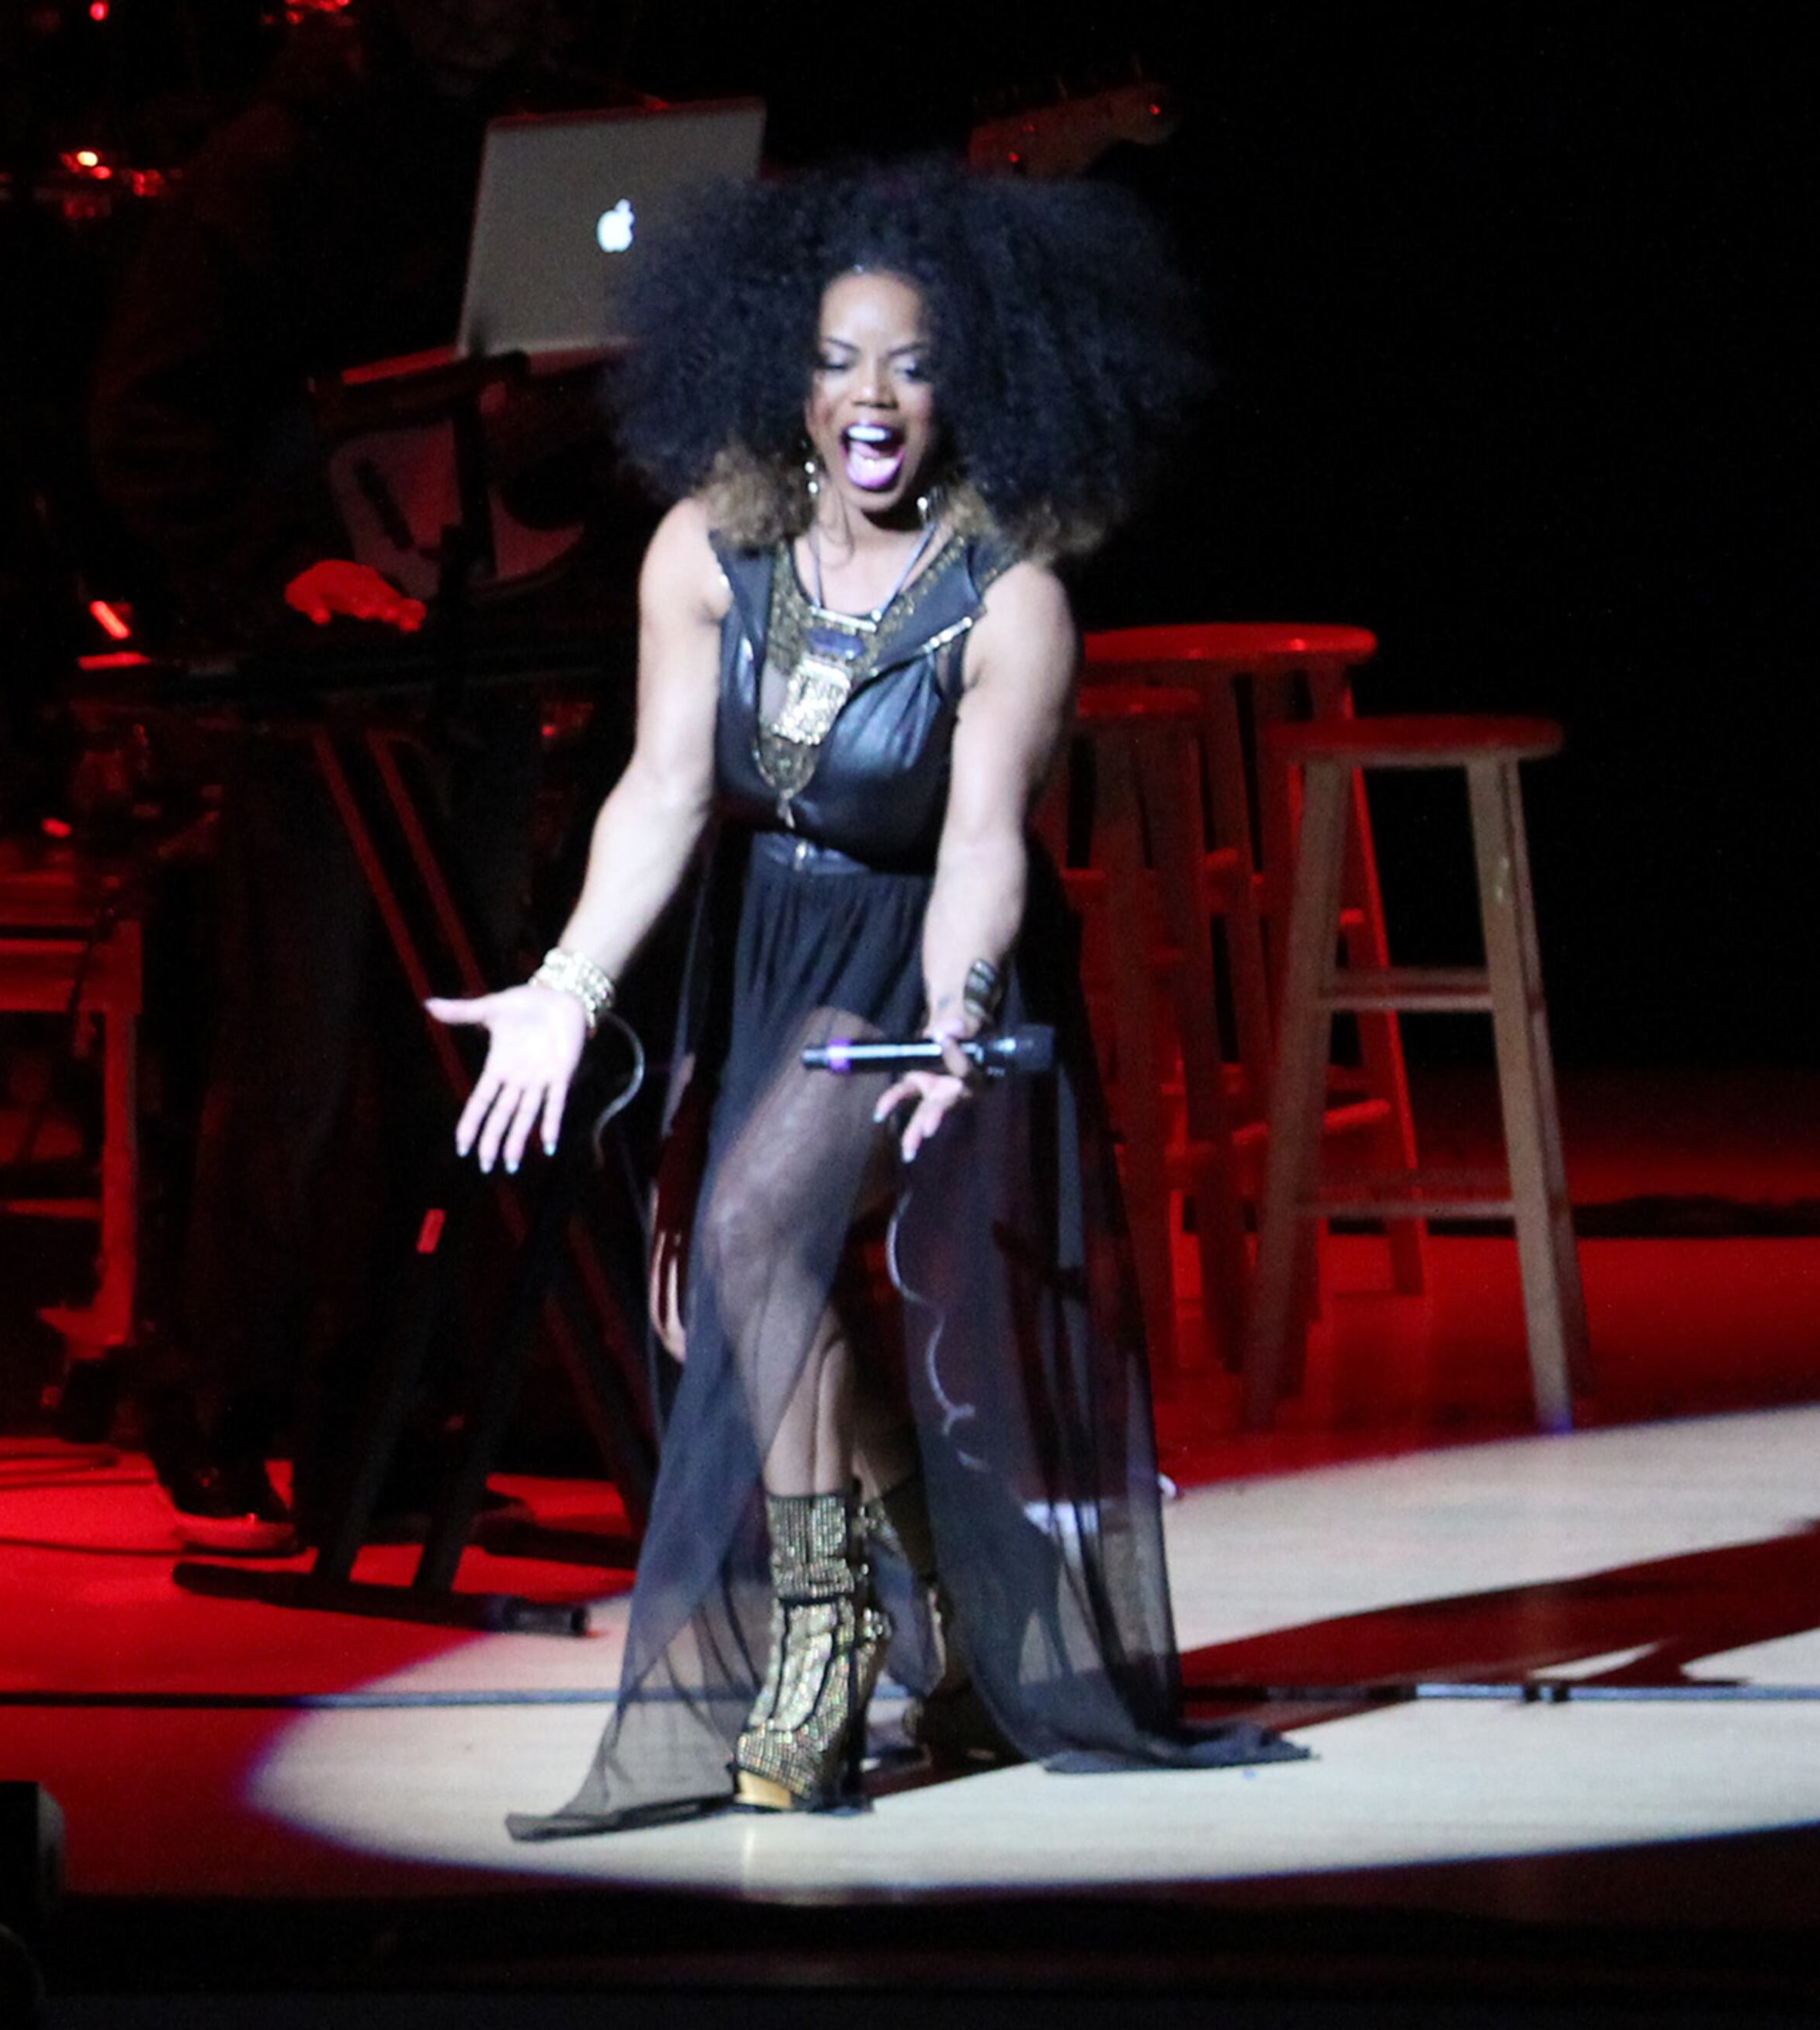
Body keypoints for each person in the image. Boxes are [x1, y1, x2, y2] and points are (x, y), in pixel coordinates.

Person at [428, 160, 1304, 1832]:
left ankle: (827, 1629)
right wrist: (564, 983)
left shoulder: (1012, 596)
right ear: (782, 369)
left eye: (912, 361)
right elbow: (665, 793)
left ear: (970, 379)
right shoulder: (707, 546)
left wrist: (960, 1012)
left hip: (905, 973)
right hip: (759, 953)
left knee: (755, 1246)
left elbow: (985, 842)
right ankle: (981, 1621)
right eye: (839, 360)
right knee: (732, 1310)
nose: (875, 399)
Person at [88, 0, 615, 1551]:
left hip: (483, 633)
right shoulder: (275, 166)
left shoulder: (552, 147)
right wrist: (283, 572)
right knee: (303, 1047)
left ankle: (383, 1416)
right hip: (328, 664)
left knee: (447, 1051)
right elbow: (143, 422)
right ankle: (231, 1404)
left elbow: (533, 411)